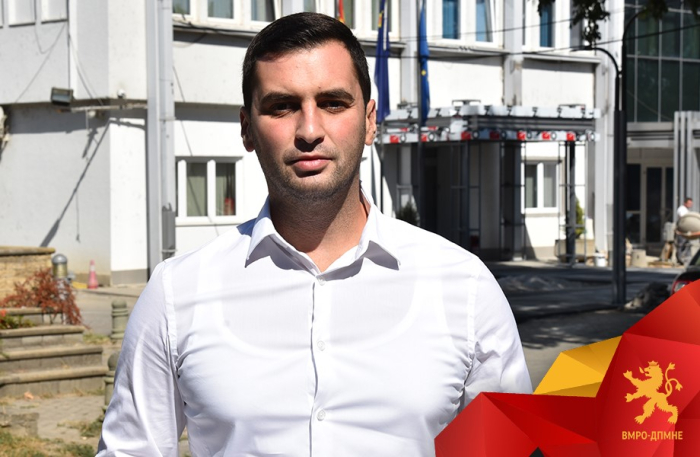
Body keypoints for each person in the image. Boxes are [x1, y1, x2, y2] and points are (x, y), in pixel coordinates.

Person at [97, 12, 531, 456]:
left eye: (333, 103)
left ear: (370, 121)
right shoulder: (177, 294)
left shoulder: (465, 289)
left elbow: (508, 450)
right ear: (247, 128)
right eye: (282, 106)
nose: (309, 130)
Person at [675, 197, 694, 265]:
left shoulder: (686, 210)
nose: (690, 205)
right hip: (682, 230)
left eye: (691, 203)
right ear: (685, 203)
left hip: (686, 230)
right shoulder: (682, 209)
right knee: (681, 245)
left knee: (687, 245)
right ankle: (680, 259)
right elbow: (683, 218)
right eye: (689, 203)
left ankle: (686, 259)